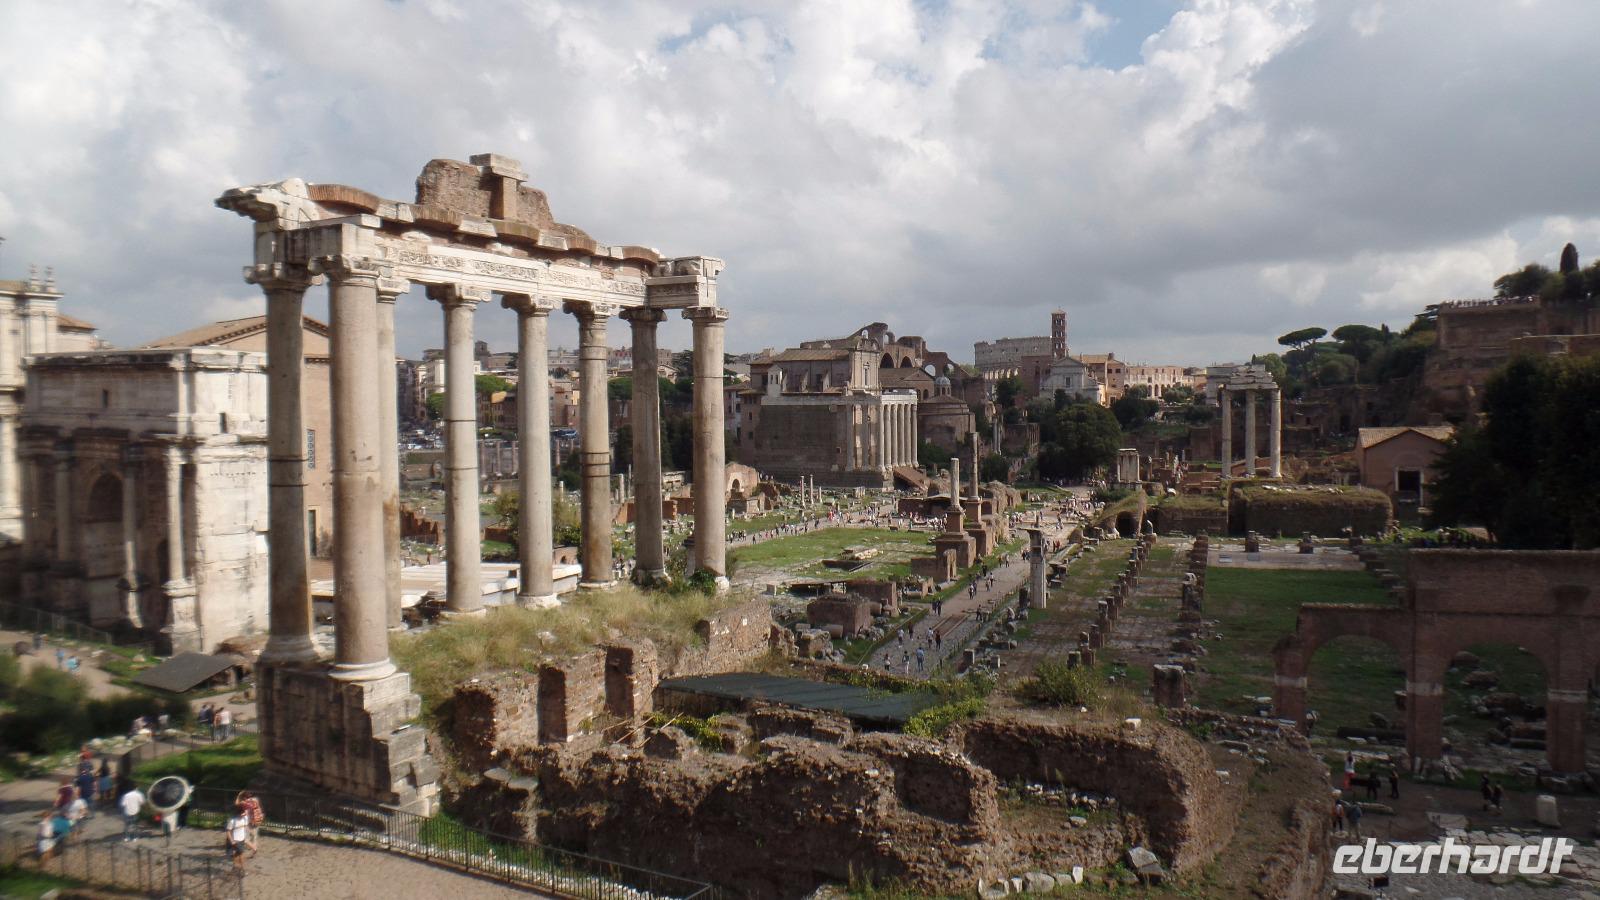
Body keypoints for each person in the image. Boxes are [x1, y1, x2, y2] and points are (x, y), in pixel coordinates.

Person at [225, 803, 254, 871]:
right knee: (241, 853)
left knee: (238, 853)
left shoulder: (245, 819)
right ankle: (242, 868)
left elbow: (246, 827)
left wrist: (249, 833)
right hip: (235, 840)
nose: (245, 813)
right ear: (239, 813)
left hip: (242, 839)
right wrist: (232, 840)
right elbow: (228, 831)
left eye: (245, 812)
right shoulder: (232, 821)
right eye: (244, 812)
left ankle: (235, 866)